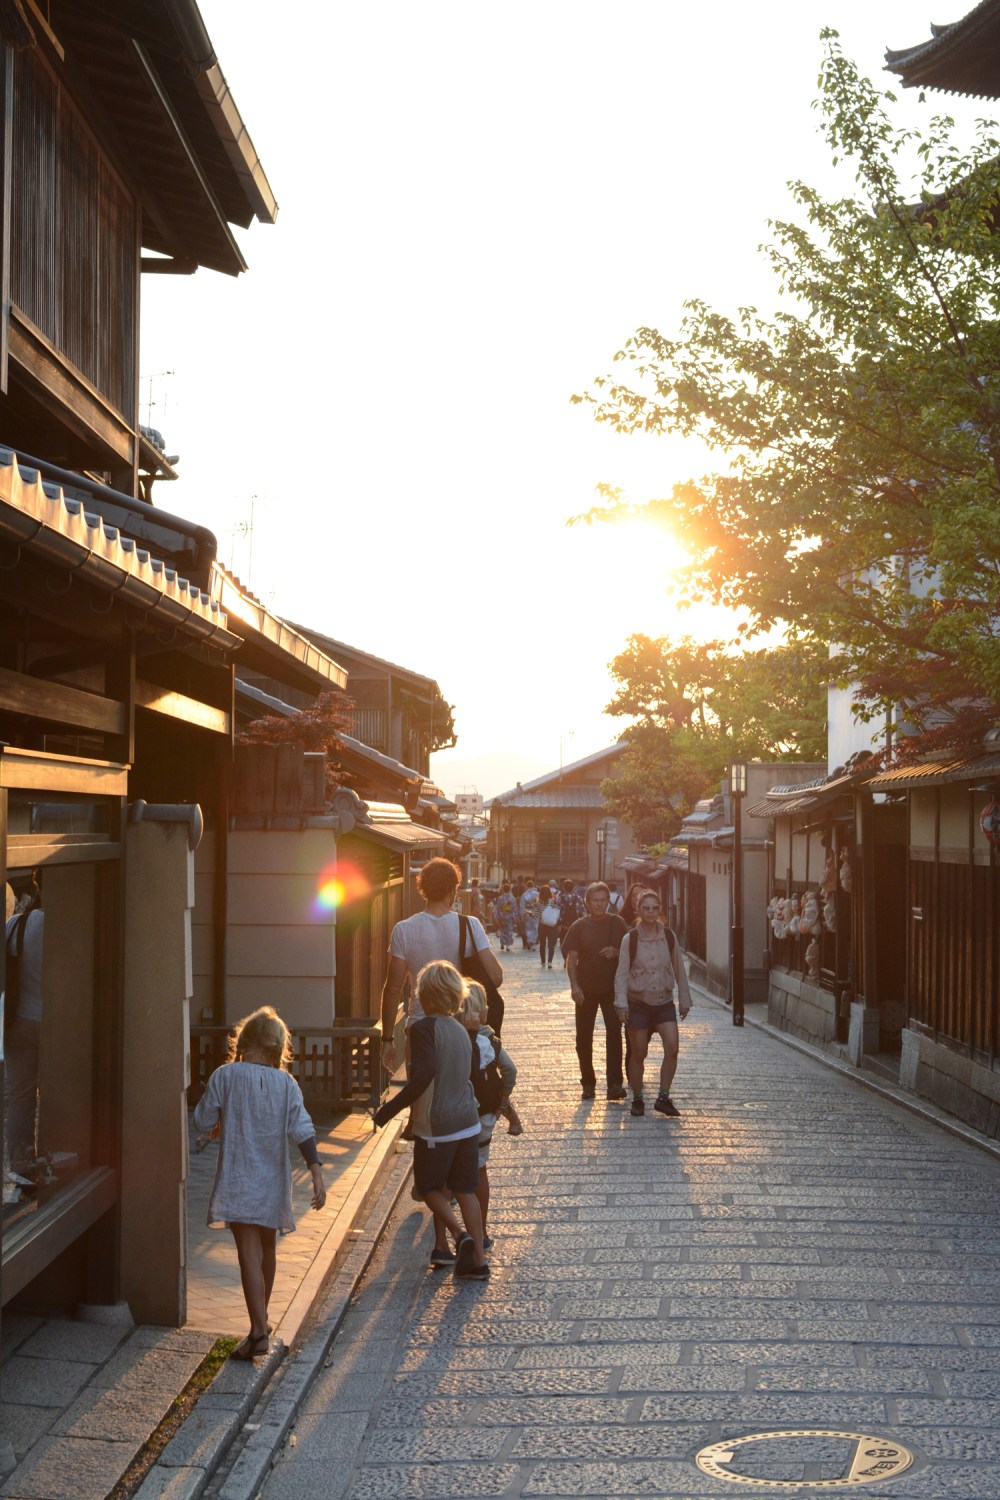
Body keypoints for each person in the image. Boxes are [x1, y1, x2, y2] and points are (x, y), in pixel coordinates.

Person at [193, 1006, 326, 1360]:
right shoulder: (286, 1084)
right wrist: (315, 1169)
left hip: (240, 1177)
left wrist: (219, 1114)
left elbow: (202, 1120)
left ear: (243, 1040)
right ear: (277, 1048)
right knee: (267, 1248)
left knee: (247, 1253)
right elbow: (302, 1128)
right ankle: (261, 1323)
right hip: (273, 1179)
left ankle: (257, 1330)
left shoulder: (226, 1075)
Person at [374, 961, 490, 1279]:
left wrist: (386, 1112)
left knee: (428, 1186)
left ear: (423, 996)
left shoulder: (422, 1029)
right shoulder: (462, 1029)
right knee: (465, 1189)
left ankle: (458, 1234)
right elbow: (473, 1075)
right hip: (468, 1121)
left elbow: (423, 1076)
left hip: (437, 1125)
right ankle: (479, 1262)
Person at [380, 857, 501, 1076]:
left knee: (421, 1102)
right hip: (460, 1027)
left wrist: (387, 1039)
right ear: (453, 890)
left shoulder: (404, 930)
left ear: (422, 889)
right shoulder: (470, 925)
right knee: (458, 1094)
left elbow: (393, 989)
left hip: (420, 1027)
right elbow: (496, 977)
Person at [614, 890, 692, 1117]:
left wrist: (684, 1000)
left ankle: (663, 1097)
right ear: (639, 910)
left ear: (660, 910)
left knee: (673, 1048)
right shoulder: (631, 939)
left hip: (664, 1002)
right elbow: (621, 974)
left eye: (654, 908)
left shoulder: (668, 936)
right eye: (645, 908)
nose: (650, 912)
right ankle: (637, 1098)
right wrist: (621, 1004)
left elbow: (679, 968)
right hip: (638, 1003)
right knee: (639, 1054)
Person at [460, 981, 520, 1252]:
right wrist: (503, 1101)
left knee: (455, 1173)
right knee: (480, 1170)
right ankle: (481, 1231)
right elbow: (511, 1070)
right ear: (482, 1010)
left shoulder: (454, 1036)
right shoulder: (491, 1041)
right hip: (484, 1115)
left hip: (458, 1114)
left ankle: (457, 1234)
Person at [562, 882, 629, 1101]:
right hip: (586, 989)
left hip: (612, 989)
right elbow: (571, 959)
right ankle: (588, 1083)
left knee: (614, 1035)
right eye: (595, 901)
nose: (599, 905)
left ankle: (614, 1084)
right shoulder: (579, 926)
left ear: (608, 901)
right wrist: (574, 986)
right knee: (583, 1038)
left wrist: (617, 951)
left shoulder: (618, 923)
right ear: (588, 902)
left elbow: (630, 953)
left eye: (603, 900)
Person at [5, 872, 44, 1166]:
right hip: (62, 1025)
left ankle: (21, 1166)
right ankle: (52, 1162)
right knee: (64, 1095)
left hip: (20, 1020)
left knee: (20, 1099)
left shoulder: (16, 924)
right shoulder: (73, 926)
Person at [557, 878, 584, 958]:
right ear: (573, 887)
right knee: (575, 941)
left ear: (563, 887)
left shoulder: (559, 898)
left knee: (563, 941)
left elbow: (557, 912)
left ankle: (565, 959)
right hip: (576, 924)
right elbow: (583, 910)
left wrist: (558, 924)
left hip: (564, 924)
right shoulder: (578, 898)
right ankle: (573, 958)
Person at [538, 884, 561, 968]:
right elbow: (556, 912)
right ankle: (550, 961)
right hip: (551, 925)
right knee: (551, 944)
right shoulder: (553, 901)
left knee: (542, 944)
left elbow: (536, 914)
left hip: (542, 925)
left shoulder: (539, 902)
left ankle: (543, 961)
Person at [492, 880, 518, 953]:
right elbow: (515, 908)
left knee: (503, 930)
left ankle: (502, 943)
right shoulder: (512, 898)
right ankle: (507, 946)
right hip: (509, 916)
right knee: (509, 931)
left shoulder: (500, 898)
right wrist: (515, 916)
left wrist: (497, 916)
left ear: (503, 890)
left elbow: (498, 907)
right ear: (509, 889)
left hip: (502, 916)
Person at [519, 879, 541, 951]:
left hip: (527, 912)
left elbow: (522, 905)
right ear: (533, 885)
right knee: (535, 928)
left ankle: (529, 941)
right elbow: (539, 904)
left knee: (528, 927)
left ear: (527, 886)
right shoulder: (537, 894)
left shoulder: (524, 894)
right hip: (535, 912)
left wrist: (521, 914)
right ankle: (533, 943)